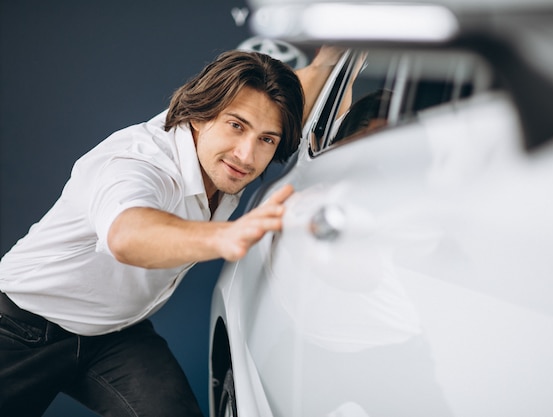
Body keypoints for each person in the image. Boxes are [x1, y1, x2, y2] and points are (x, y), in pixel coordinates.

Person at [0, 47, 340, 417]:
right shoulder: (138, 163)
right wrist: (225, 237)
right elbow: (127, 235)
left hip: (115, 335)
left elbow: (291, 102)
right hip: (21, 327)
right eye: (236, 126)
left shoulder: (232, 149)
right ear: (199, 116)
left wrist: (329, 61)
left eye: (267, 140)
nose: (246, 155)